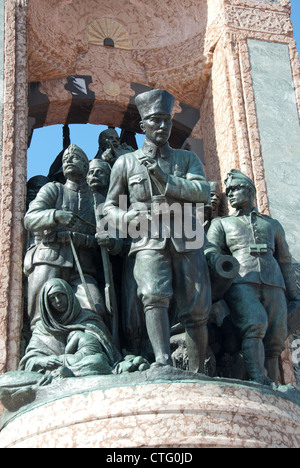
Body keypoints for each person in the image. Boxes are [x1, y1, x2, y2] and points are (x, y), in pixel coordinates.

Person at [103, 89, 211, 372]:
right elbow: (108, 209)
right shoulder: (125, 163)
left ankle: (197, 372)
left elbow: (202, 191)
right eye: (155, 121)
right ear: (142, 126)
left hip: (186, 238)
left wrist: (166, 179)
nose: (162, 126)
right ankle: (162, 362)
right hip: (148, 239)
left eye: (166, 120)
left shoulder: (187, 160)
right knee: (153, 296)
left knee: (196, 310)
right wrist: (128, 215)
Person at [205, 169, 300, 384]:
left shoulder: (271, 224)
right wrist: (219, 263)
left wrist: (293, 294)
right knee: (255, 324)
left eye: (235, 189)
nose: (230, 194)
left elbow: (284, 259)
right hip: (241, 280)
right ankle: (258, 380)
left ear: (249, 191)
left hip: (273, 282)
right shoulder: (221, 224)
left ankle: (274, 384)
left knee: (276, 337)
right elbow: (209, 250)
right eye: (228, 191)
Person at [24, 144, 106, 330]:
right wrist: (55, 216)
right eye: (65, 159)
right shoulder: (53, 189)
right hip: (49, 258)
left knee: (95, 308)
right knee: (42, 316)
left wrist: (105, 241)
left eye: (75, 157)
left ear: (86, 167)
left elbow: (110, 236)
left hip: (83, 268)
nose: (68, 160)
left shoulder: (98, 200)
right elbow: (30, 219)